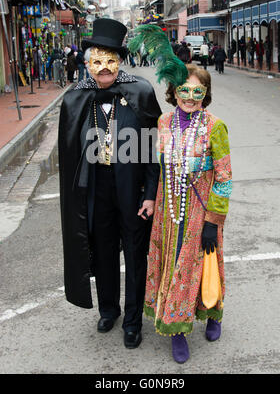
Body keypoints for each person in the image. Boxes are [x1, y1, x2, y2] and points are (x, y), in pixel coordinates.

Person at [58, 18, 162, 349]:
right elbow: (69, 152)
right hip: (96, 187)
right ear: (87, 63)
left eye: (109, 61)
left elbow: (150, 148)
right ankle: (109, 310)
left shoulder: (140, 91)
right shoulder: (75, 98)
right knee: (102, 251)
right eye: (95, 61)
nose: (103, 69)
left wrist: (150, 194)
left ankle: (132, 321)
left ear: (119, 60)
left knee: (134, 254)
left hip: (132, 188)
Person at [144, 63, 232, 363]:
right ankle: (177, 328)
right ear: (173, 92)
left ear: (205, 94)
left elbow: (224, 177)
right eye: (184, 90)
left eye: (198, 91)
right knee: (173, 266)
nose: (190, 96)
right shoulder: (165, 122)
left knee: (205, 265)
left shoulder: (215, 126)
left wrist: (213, 222)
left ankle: (213, 314)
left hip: (202, 212)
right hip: (170, 211)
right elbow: (159, 167)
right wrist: (153, 201)